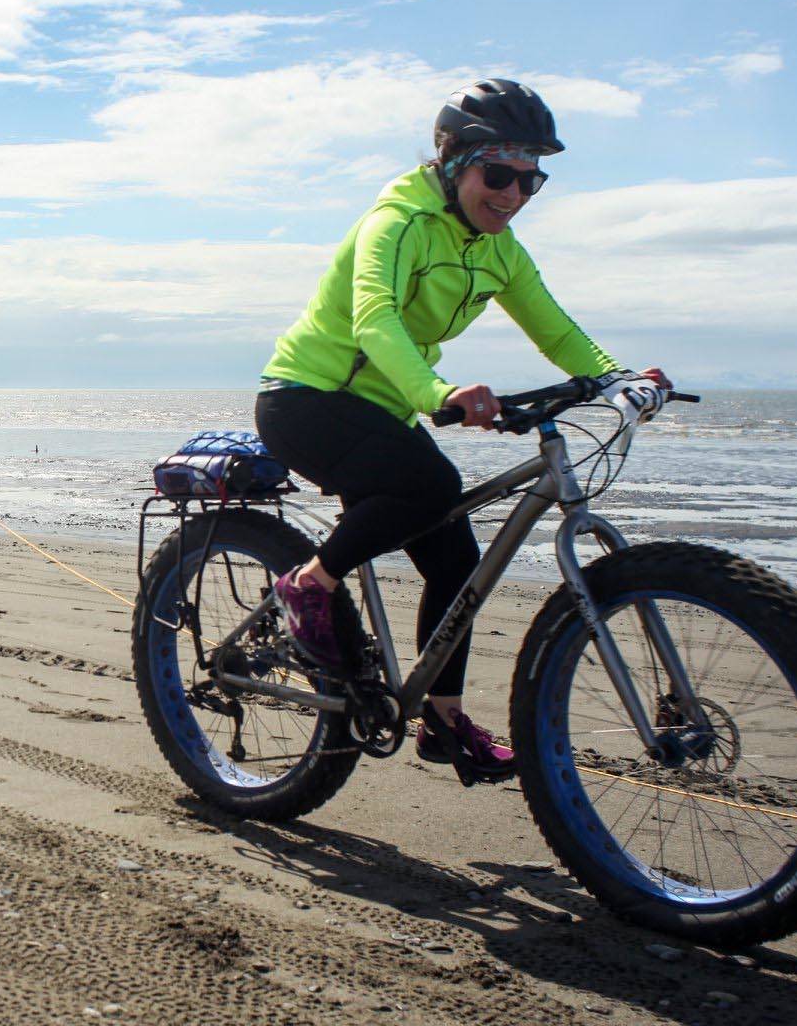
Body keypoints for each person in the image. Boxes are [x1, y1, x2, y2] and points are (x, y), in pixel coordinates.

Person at [254, 78, 666, 784]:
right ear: (452, 161)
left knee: (454, 559)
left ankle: (441, 723)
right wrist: (438, 393)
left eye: (530, 180)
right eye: (497, 174)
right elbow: (373, 319)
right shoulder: (400, 222)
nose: (512, 193)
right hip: (305, 398)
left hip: (381, 410)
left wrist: (618, 378)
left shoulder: (498, 249)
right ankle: (309, 586)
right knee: (432, 483)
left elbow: (555, 328)